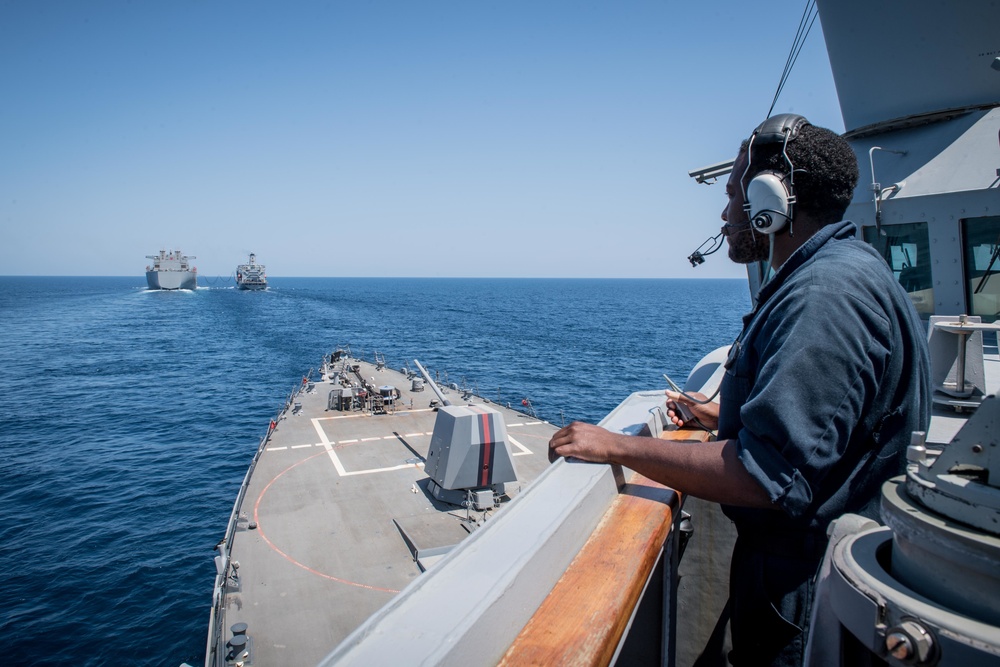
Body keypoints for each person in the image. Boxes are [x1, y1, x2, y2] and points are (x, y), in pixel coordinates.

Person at [548, 114, 931, 666]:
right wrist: (721, 415)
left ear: (770, 200)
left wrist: (615, 446)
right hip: (817, 570)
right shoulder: (849, 270)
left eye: (734, 197)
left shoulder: (823, 296)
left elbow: (761, 477)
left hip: (803, 588)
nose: (727, 215)